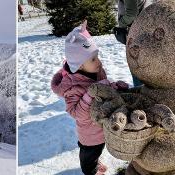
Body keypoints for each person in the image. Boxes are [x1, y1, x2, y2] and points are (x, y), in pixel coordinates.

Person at [50, 21, 128, 175]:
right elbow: (75, 112)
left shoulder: (95, 71)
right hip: (90, 136)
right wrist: (89, 95)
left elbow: (104, 90)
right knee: (88, 158)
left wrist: (114, 87)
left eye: (97, 56)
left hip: (101, 127)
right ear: (79, 65)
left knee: (97, 152)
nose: (98, 62)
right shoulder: (73, 87)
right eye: (93, 59)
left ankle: (95, 162)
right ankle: (91, 171)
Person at [113, 0, 148, 87]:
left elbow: (131, 14)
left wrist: (121, 23)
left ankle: (142, 94)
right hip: (142, 30)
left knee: (137, 66)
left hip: (135, 33)